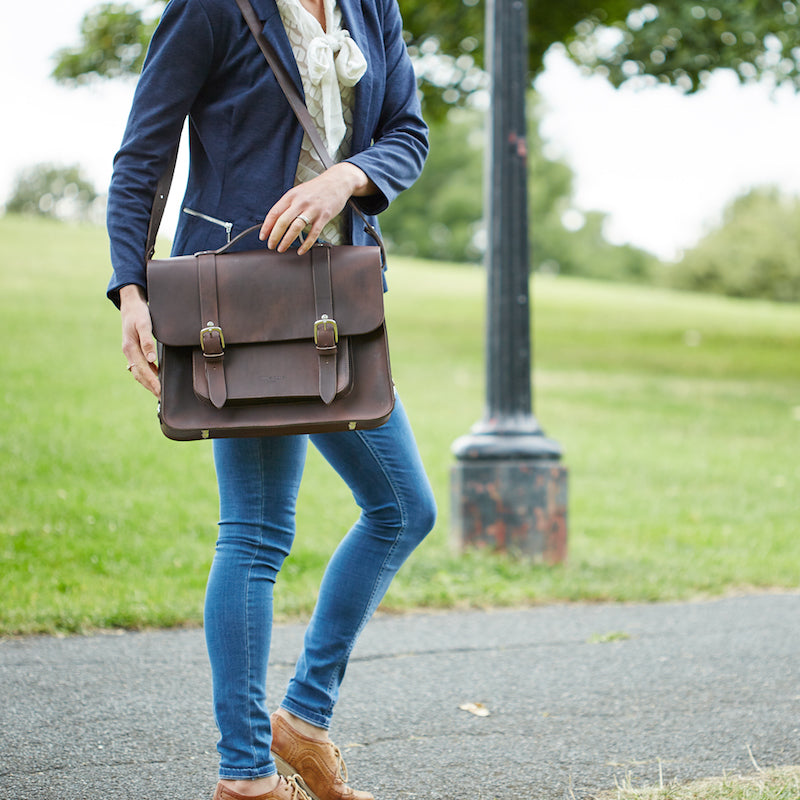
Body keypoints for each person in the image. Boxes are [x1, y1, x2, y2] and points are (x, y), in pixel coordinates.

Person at [105, 0, 436, 798]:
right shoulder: (213, 6)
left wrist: (346, 178)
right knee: (254, 533)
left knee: (402, 507)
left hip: (340, 296)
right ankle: (246, 775)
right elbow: (143, 154)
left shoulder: (371, 5)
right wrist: (131, 291)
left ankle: (304, 721)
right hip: (234, 304)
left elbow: (408, 134)